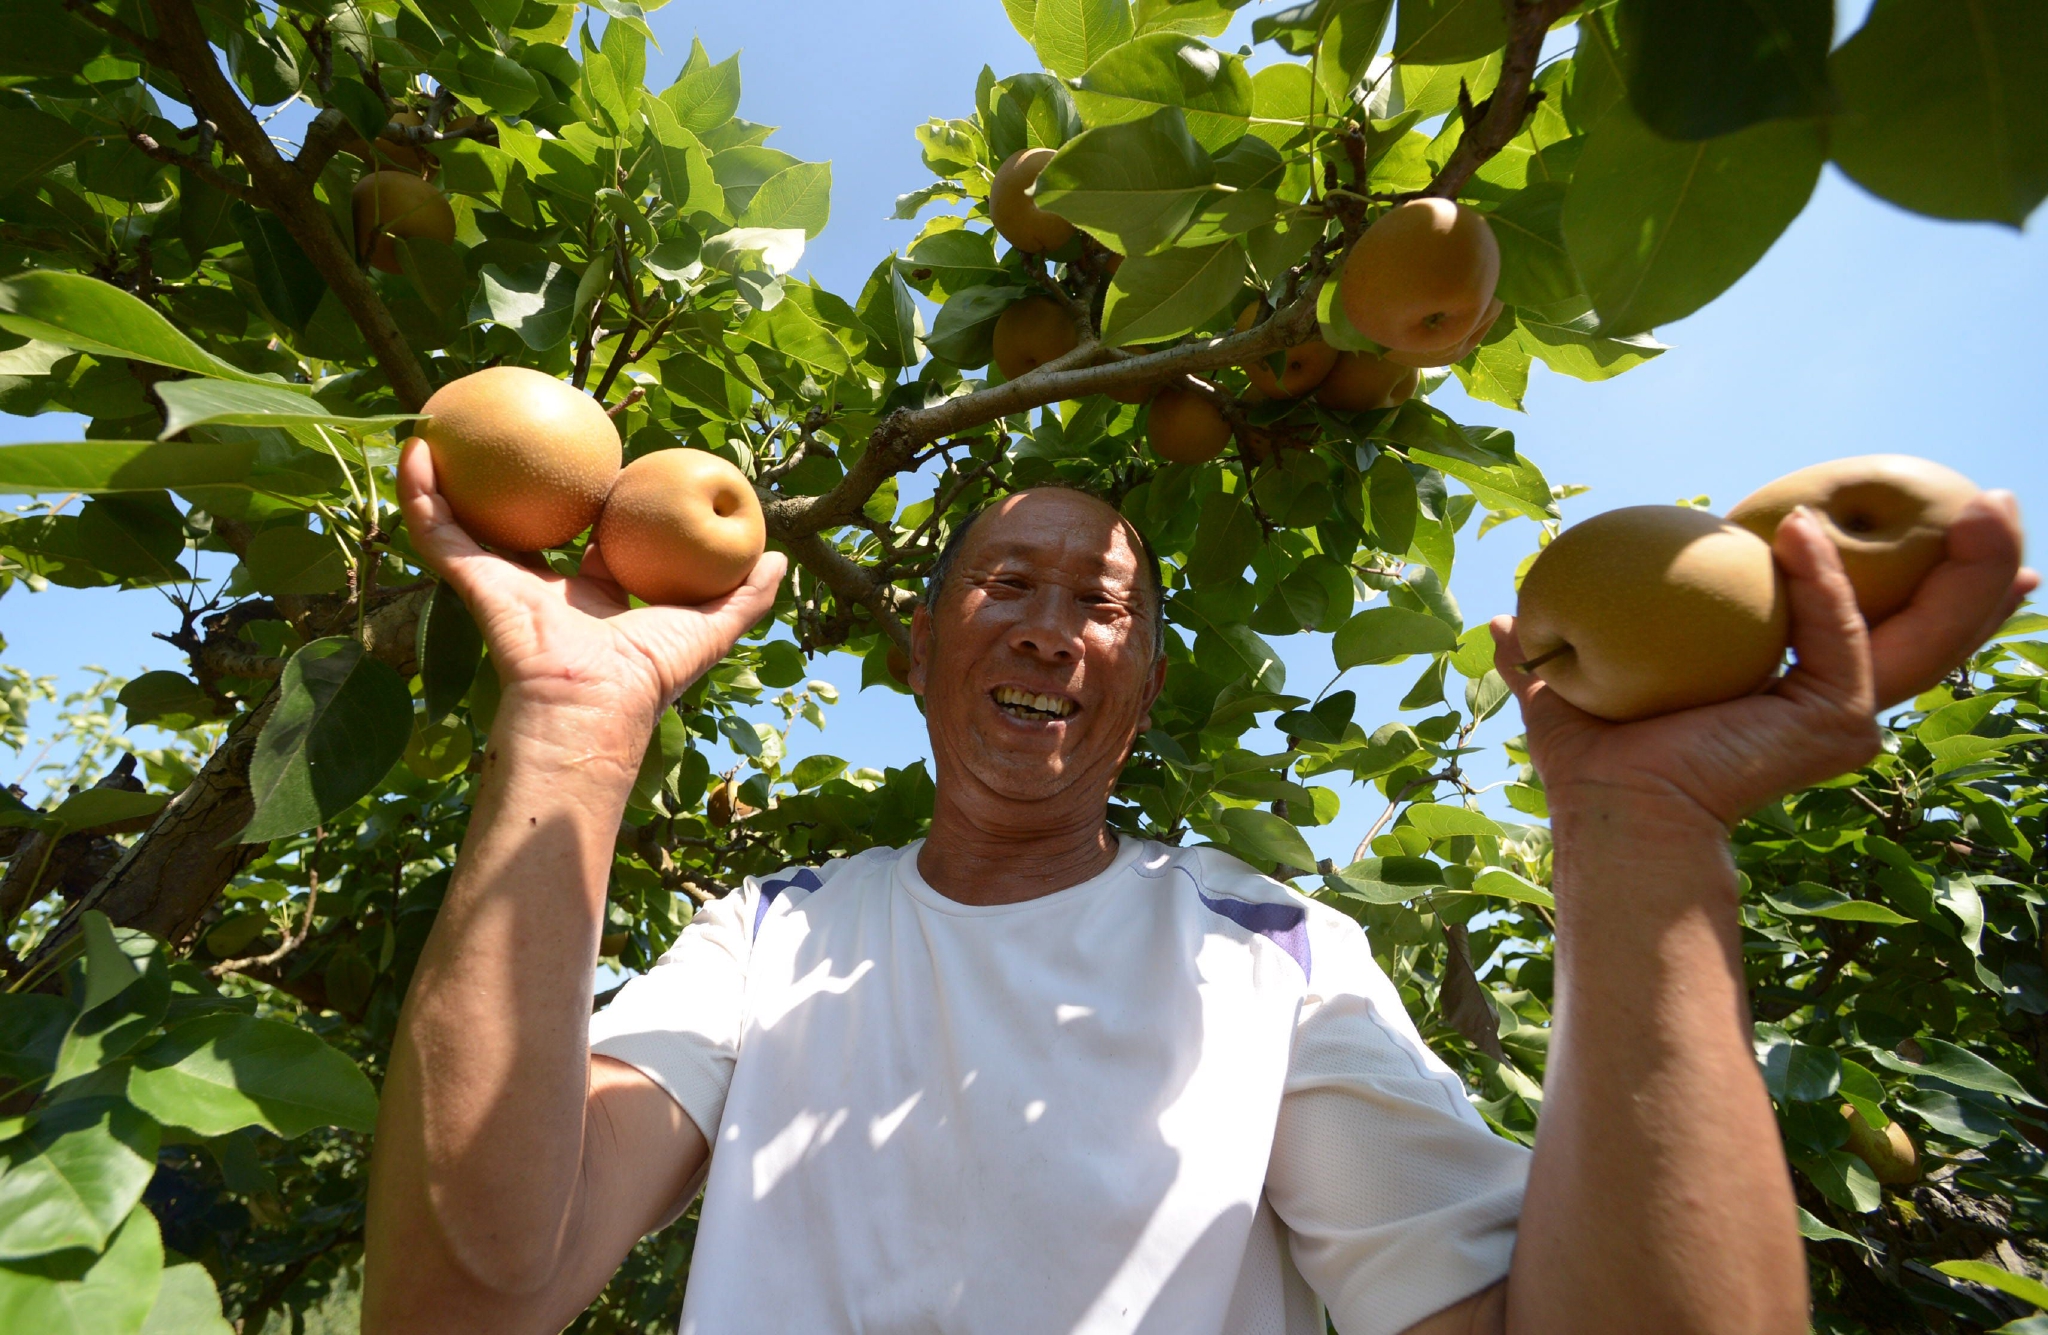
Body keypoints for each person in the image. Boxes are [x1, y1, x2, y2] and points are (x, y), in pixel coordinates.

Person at [365, 438, 2034, 1335]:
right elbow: (459, 1306)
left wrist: (1649, 839)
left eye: (1100, 602)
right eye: (1003, 584)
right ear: (921, 650)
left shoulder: (1268, 950)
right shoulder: (771, 933)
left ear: (1143, 688)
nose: (1047, 626)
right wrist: (576, 728)